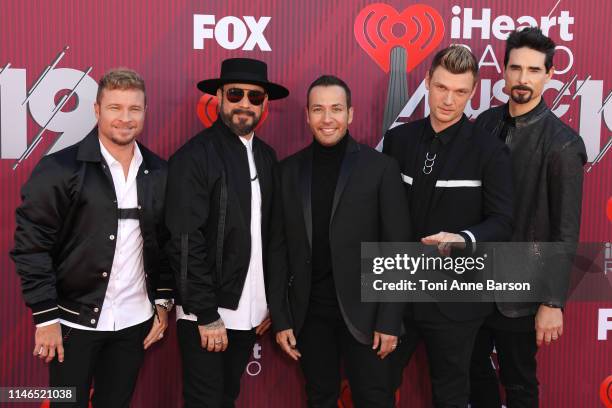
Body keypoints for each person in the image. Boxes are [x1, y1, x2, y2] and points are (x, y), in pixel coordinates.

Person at [11, 68, 173, 408]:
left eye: (134, 109)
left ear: (145, 112)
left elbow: (165, 243)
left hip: (134, 323)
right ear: (97, 110)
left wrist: (162, 302)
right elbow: (31, 246)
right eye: (115, 108)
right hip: (71, 321)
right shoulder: (60, 168)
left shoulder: (159, 172)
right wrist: (46, 317)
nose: (125, 118)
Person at [268, 75, 411, 407]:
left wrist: (390, 319)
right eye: (318, 109)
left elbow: (397, 248)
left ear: (351, 114)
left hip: (369, 313)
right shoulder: (287, 172)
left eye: (336, 109)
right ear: (306, 115)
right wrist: (282, 316)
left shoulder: (381, 169)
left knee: (375, 399)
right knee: (320, 397)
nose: (327, 118)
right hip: (310, 314)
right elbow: (277, 249)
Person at [382, 46, 514, 407]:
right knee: (375, 388)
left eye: (459, 92)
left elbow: (502, 221)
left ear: (472, 93)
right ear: (427, 82)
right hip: (399, 294)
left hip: (457, 299)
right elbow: (380, 214)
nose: (448, 100)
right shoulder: (398, 141)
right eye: (441, 87)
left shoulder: (490, 151)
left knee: (451, 394)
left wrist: (463, 239)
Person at [470, 27, 587, 408]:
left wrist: (553, 302)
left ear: (550, 75)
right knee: (473, 373)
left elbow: (566, 231)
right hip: (471, 283)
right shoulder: (484, 125)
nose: (523, 79)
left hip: (521, 292)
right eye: (516, 68)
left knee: (519, 383)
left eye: (534, 70)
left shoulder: (563, 144)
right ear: (502, 70)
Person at [164, 57, 288, 408]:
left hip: (251, 313)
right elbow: (185, 241)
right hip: (208, 314)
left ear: (264, 104)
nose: (245, 104)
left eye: (255, 97)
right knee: (205, 402)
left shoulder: (267, 156)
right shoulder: (195, 156)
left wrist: (270, 304)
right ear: (218, 96)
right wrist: (206, 314)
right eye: (236, 94)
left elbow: (272, 238)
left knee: (227, 397)